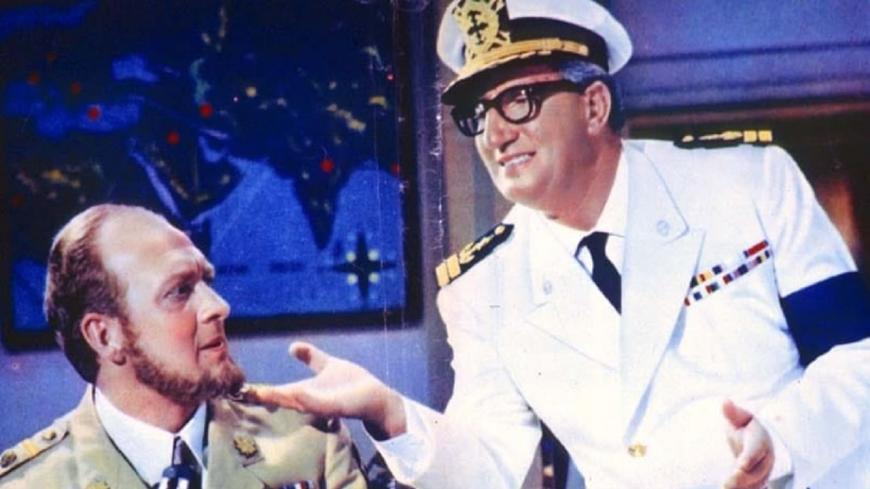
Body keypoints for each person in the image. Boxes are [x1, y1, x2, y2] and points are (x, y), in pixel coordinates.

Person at [243, 1, 870, 488]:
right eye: (479, 113)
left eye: (518, 100)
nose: (494, 134)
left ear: (594, 105)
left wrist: (778, 441)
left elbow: (856, 357)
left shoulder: (746, 181)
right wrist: (389, 411)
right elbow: (485, 466)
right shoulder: (483, 285)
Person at [0, 204, 367, 489]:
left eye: (206, 282)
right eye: (179, 291)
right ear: (105, 336)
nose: (218, 306)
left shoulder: (309, 442)